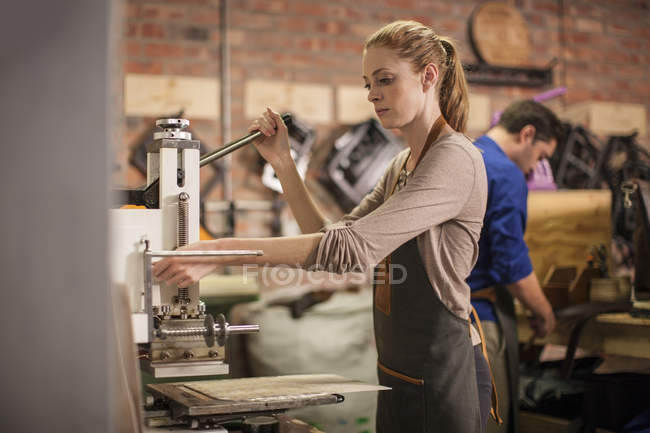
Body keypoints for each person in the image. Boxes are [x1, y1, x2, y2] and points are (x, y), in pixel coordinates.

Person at [154, 20, 489, 433]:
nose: (372, 95)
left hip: (443, 374)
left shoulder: (455, 159)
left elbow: (352, 250)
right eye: (368, 83)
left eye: (384, 80)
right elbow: (334, 242)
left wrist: (221, 250)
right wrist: (282, 162)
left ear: (428, 77)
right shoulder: (400, 164)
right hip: (398, 370)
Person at [468, 100, 563, 433]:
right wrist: (544, 312)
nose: (535, 169)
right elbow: (512, 264)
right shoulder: (506, 173)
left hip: (445, 319)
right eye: (541, 157)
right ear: (527, 134)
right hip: (479, 319)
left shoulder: (467, 155)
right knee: (491, 421)